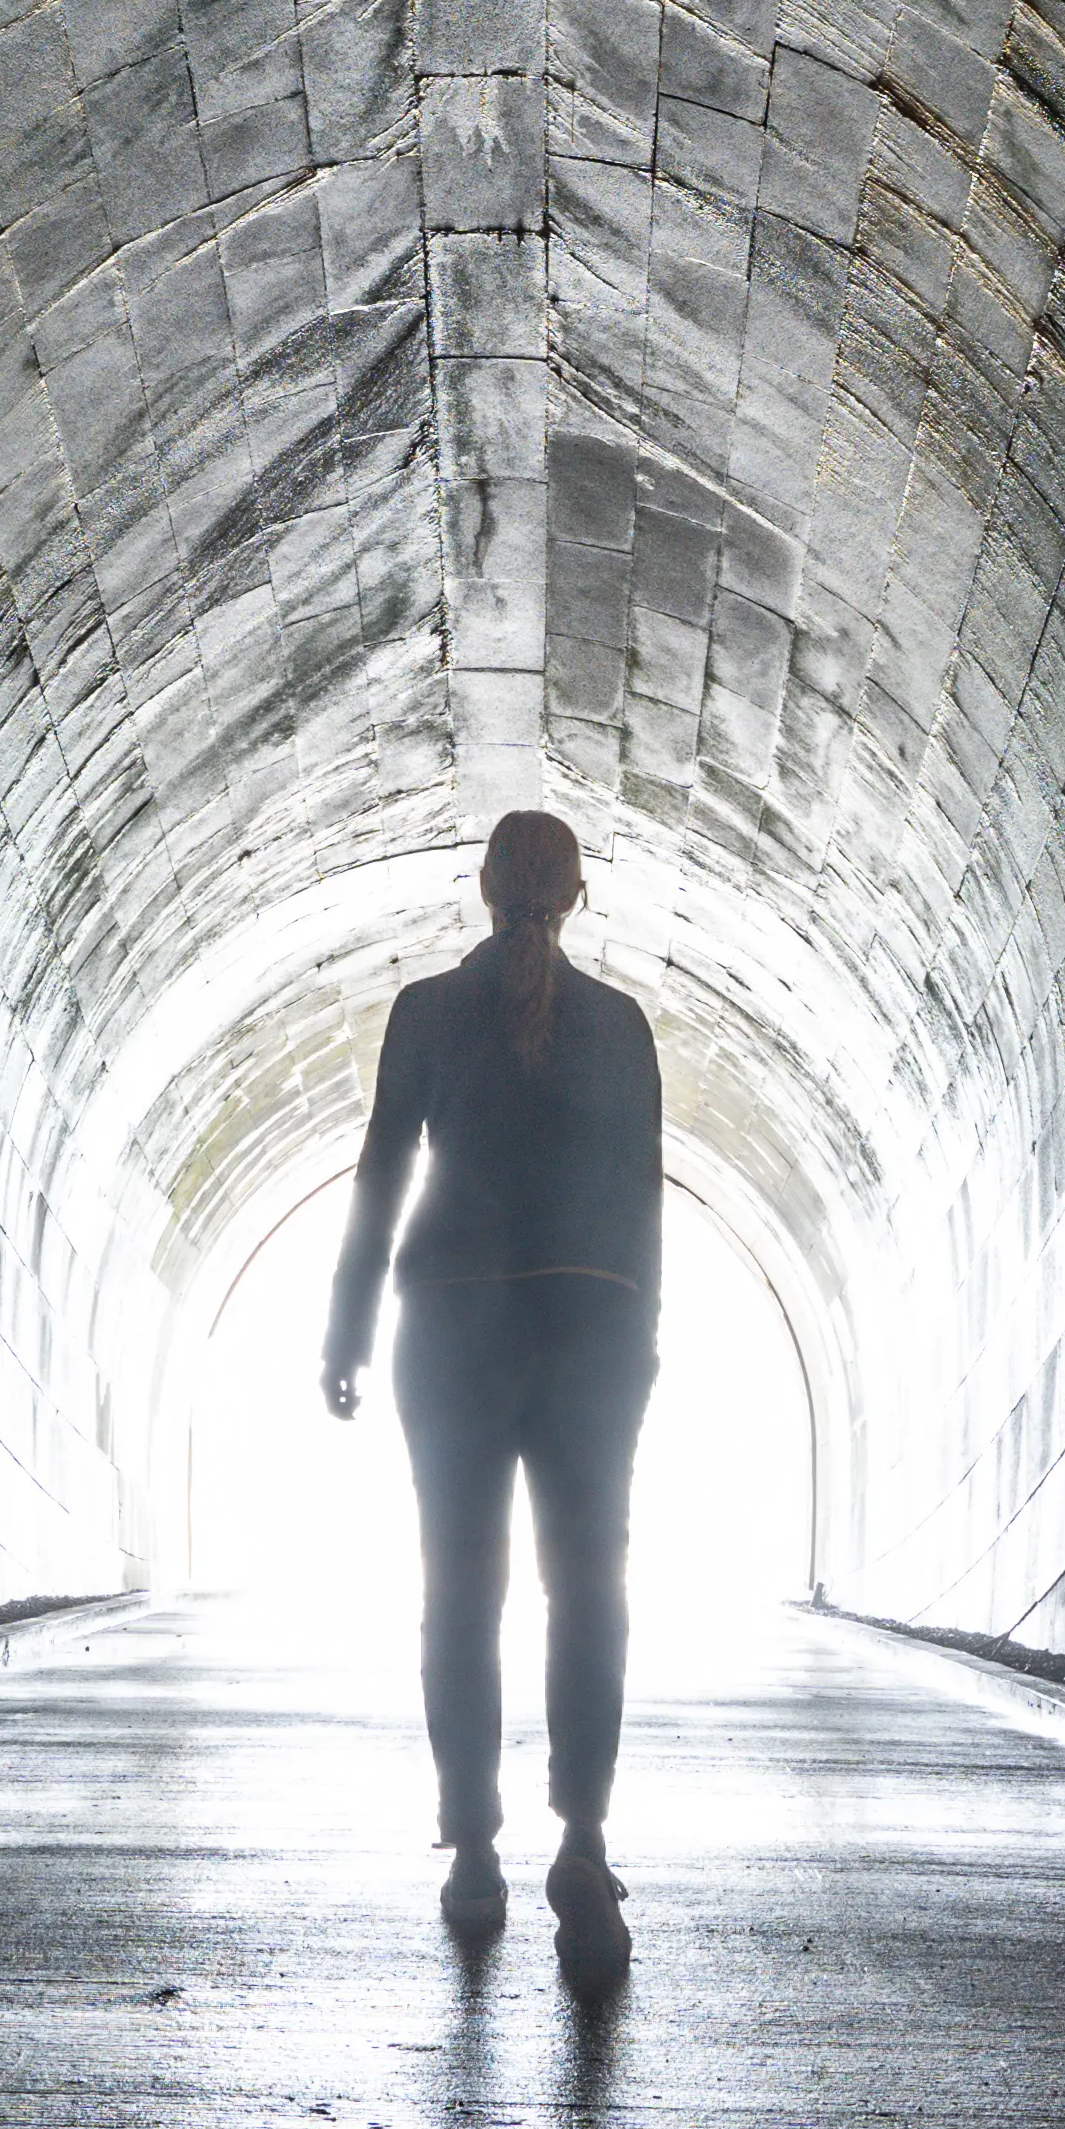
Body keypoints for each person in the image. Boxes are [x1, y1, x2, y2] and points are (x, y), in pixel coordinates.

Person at [321, 810, 661, 1994]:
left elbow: (381, 1176)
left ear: (482, 891)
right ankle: (583, 1838)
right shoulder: (618, 1024)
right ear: (574, 896)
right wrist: (641, 1347)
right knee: (587, 1592)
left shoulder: (425, 1010)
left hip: (454, 1332)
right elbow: (639, 1203)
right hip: (588, 1333)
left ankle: (473, 1849)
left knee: (460, 1590)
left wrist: (348, 1328)